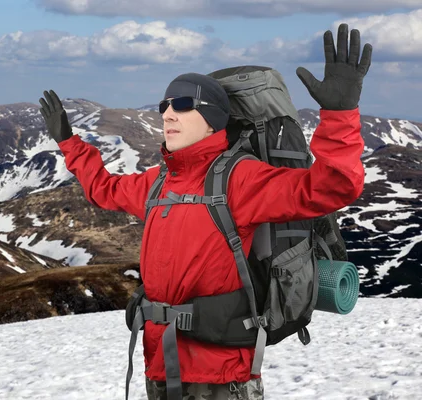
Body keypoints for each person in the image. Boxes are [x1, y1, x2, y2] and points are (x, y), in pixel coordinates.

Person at [38, 23, 372, 400]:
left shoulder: (239, 179)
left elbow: (330, 188)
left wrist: (340, 114)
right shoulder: (160, 183)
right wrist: (68, 142)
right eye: (164, 105)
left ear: (213, 118)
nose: (167, 114)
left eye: (182, 104)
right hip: (160, 371)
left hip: (221, 380)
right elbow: (104, 189)